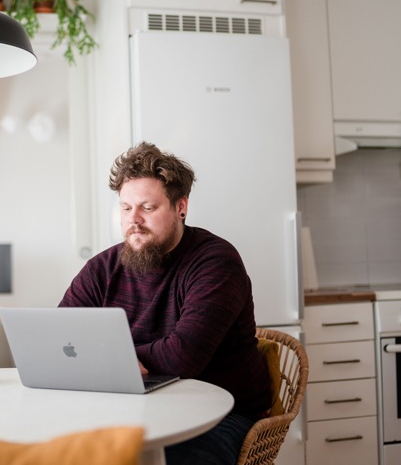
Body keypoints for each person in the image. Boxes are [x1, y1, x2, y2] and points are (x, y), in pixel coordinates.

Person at [59, 142, 272, 464]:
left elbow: (183, 356)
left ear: (181, 207)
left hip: (221, 413)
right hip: (134, 406)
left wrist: (109, 357)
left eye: (148, 207)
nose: (134, 220)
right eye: (126, 208)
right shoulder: (103, 267)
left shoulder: (215, 261)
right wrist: (115, 360)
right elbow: (61, 338)